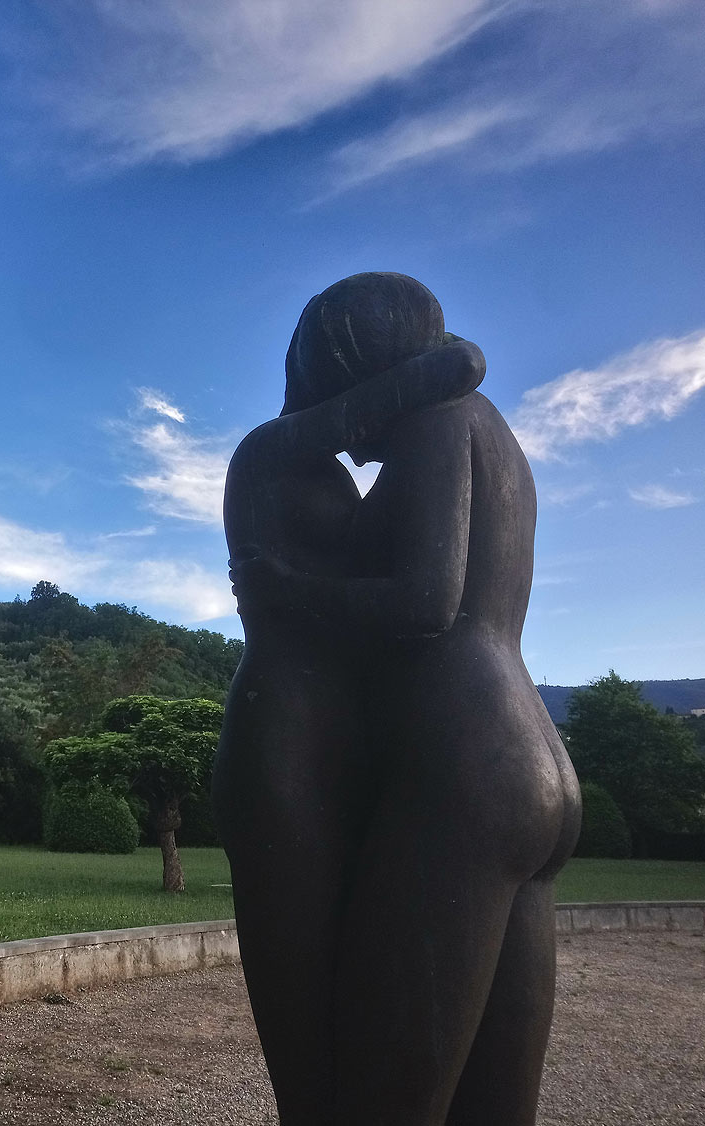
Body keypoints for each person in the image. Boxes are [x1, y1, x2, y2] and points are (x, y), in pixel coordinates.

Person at [227, 273, 582, 1126]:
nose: (354, 449)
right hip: (531, 751)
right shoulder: (499, 439)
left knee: (379, 1103)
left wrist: (283, 587)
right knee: (493, 1108)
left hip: (462, 762)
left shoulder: (437, 418)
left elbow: (426, 601)